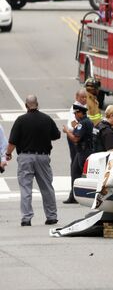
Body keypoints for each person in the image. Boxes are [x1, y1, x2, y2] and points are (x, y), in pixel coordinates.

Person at [4, 95, 60, 226]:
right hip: (43, 157)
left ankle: (26, 218)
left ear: (26, 105)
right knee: (47, 187)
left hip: (25, 157)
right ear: (37, 104)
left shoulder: (21, 120)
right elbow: (56, 135)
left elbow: (12, 141)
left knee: (25, 188)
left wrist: (8, 154)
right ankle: (51, 216)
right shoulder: (46, 119)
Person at [61, 104, 94, 204]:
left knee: (84, 175)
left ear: (80, 113)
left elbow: (76, 139)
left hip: (83, 152)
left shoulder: (82, 123)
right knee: (75, 172)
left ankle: (87, 196)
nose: (75, 115)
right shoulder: (85, 122)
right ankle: (73, 196)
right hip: (83, 151)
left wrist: (67, 131)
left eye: (76, 113)